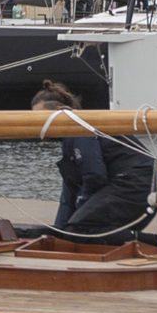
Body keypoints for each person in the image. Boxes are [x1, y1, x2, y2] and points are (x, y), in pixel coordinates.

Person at [31, 81, 108, 229]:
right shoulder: (68, 142)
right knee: (70, 228)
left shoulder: (79, 131)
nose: (37, 126)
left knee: (81, 229)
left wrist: (80, 207)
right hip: (113, 184)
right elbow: (68, 195)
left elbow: (95, 176)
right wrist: (59, 231)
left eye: (40, 120)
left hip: (134, 183)